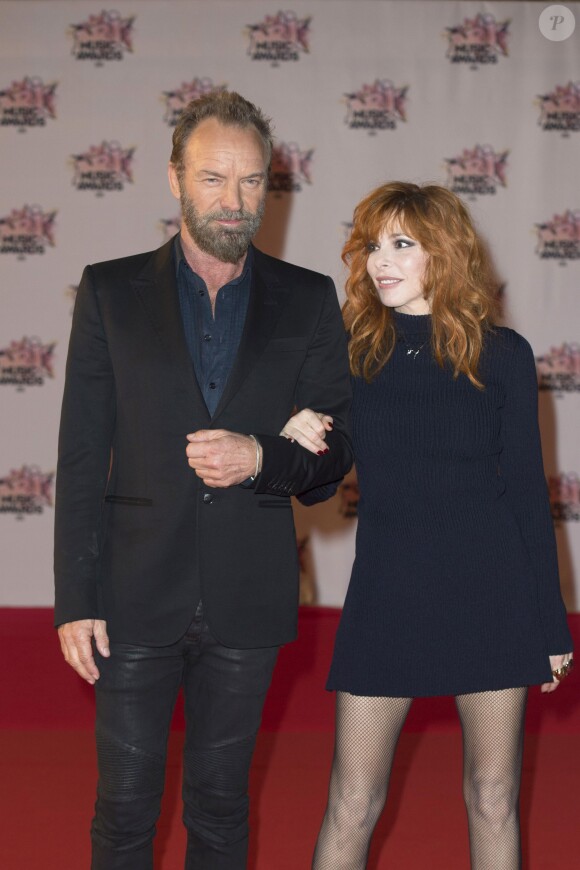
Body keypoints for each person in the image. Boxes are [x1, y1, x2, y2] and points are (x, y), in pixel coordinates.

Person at [54, 90, 353, 869]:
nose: (235, 199)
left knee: (220, 808)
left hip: (247, 597)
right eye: (214, 178)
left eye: (252, 181)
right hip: (130, 594)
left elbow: (334, 459)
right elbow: (83, 455)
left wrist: (263, 457)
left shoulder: (310, 299)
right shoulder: (109, 292)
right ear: (175, 179)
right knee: (122, 809)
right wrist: (75, 599)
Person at [280, 182, 574, 869]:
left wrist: (550, 623)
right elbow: (319, 479)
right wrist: (299, 435)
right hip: (387, 595)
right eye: (374, 245)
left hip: (491, 595)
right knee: (351, 802)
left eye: (402, 244)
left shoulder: (502, 355)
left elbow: (529, 495)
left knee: (493, 795)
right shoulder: (352, 356)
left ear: (442, 252)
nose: (381, 260)